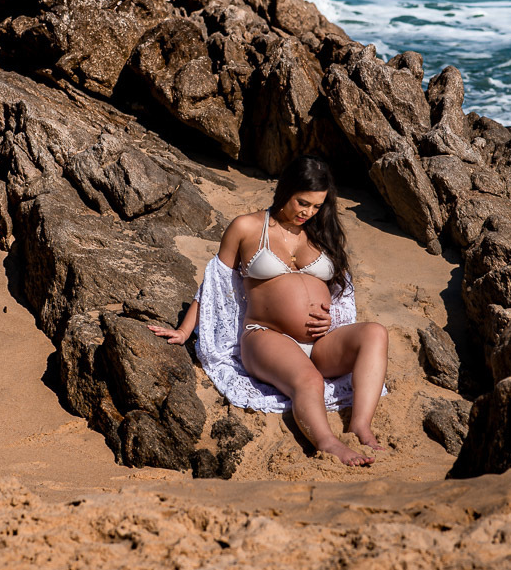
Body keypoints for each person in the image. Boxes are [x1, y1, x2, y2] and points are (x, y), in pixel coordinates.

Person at [149, 155, 388, 466]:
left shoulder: (321, 231)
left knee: (375, 333)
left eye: (317, 206)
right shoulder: (246, 227)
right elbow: (215, 285)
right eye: (303, 202)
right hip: (266, 335)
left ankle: (360, 425)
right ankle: (328, 443)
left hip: (319, 341)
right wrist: (184, 330)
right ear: (285, 189)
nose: (308, 212)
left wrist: (332, 318)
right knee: (310, 381)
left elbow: (341, 292)